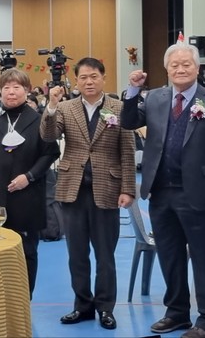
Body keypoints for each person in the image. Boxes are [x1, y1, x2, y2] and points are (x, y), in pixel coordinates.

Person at [121, 42, 205, 338]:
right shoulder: (154, 98)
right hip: (161, 191)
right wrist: (132, 91)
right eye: (175, 65)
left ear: (197, 67)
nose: (181, 69)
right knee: (170, 257)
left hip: (200, 192)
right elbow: (128, 121)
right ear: (166, 69)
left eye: (187, 64)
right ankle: (177, 313)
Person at [40, 57, 136, 331]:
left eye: (94, 76)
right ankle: (82, 305)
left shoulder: (119, 108)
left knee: (106, 255)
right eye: (83, 77)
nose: (89, 82)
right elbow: (48, 136)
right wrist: (51, 106)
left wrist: (128, 189)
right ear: (77, 81)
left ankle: (105, 307)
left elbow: (127, 151)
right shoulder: (65, 108)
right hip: (73, 190)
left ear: (103, 78)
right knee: (76, 254)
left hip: (108, 189)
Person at [0, 69, 60, 297]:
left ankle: (23, 300)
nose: (11, 92)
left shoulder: (38, 120)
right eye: (6, 88)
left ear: (27, 90)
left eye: (16, 87)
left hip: (27, 197)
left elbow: (50, 153)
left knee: (27, 252)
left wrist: (29, 176)